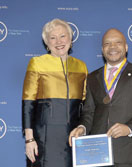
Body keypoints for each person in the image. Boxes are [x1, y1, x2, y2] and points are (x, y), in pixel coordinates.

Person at [69, 28, 132, 167]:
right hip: (98, 154)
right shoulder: (93, 77)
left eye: (118, 42)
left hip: (129, 154)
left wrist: (129, 128)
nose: (112, 47)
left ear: (126, 47)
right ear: (102, 49)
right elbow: (89, 111)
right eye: (107, 43)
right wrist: (82, 128)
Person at [22, 19, 88, 167]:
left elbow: (85, 105)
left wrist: (83, 129)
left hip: (73, 137)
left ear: (71, 39)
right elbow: (28, 103)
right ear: (47, 43)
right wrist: (29, 139)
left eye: (63, 36)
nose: (58, 41)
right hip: (44, 138)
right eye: (53, 37)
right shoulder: (37, 63)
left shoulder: (81, 66)